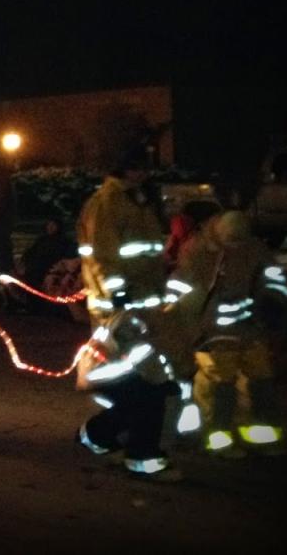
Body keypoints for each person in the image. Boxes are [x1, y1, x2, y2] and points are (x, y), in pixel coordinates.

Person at [75, 143, 183, 481]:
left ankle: (100, 435)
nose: (143, 173)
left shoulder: (138, 202)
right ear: (120, 167)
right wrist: (118, 292)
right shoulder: (106, 204)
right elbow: (103, 255)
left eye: (145, 167)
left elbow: (148, 255)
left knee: (139, 382)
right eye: (136, 166)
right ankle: (142, 455)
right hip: (120, 310)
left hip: (143, 305)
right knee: (145, 384)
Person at [172, 211, 287, 457]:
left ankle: (259, 433)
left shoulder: (254, 248)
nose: (235, 248)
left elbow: (273, 276)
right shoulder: (197, 251)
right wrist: (192, 333)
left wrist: (273, 300)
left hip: (249, 328)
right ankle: (219, 439)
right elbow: (185, 293)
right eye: (230, 243)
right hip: (213, 332)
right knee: (220, 387)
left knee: (261, 380)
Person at [20, 216, 76, 298]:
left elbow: (67, 256)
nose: (50, 227)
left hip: (53, 269)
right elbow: (30, 252)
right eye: (49, 225)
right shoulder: (41, 240)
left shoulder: (64, 241)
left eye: (53, 225)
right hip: (37, 269)